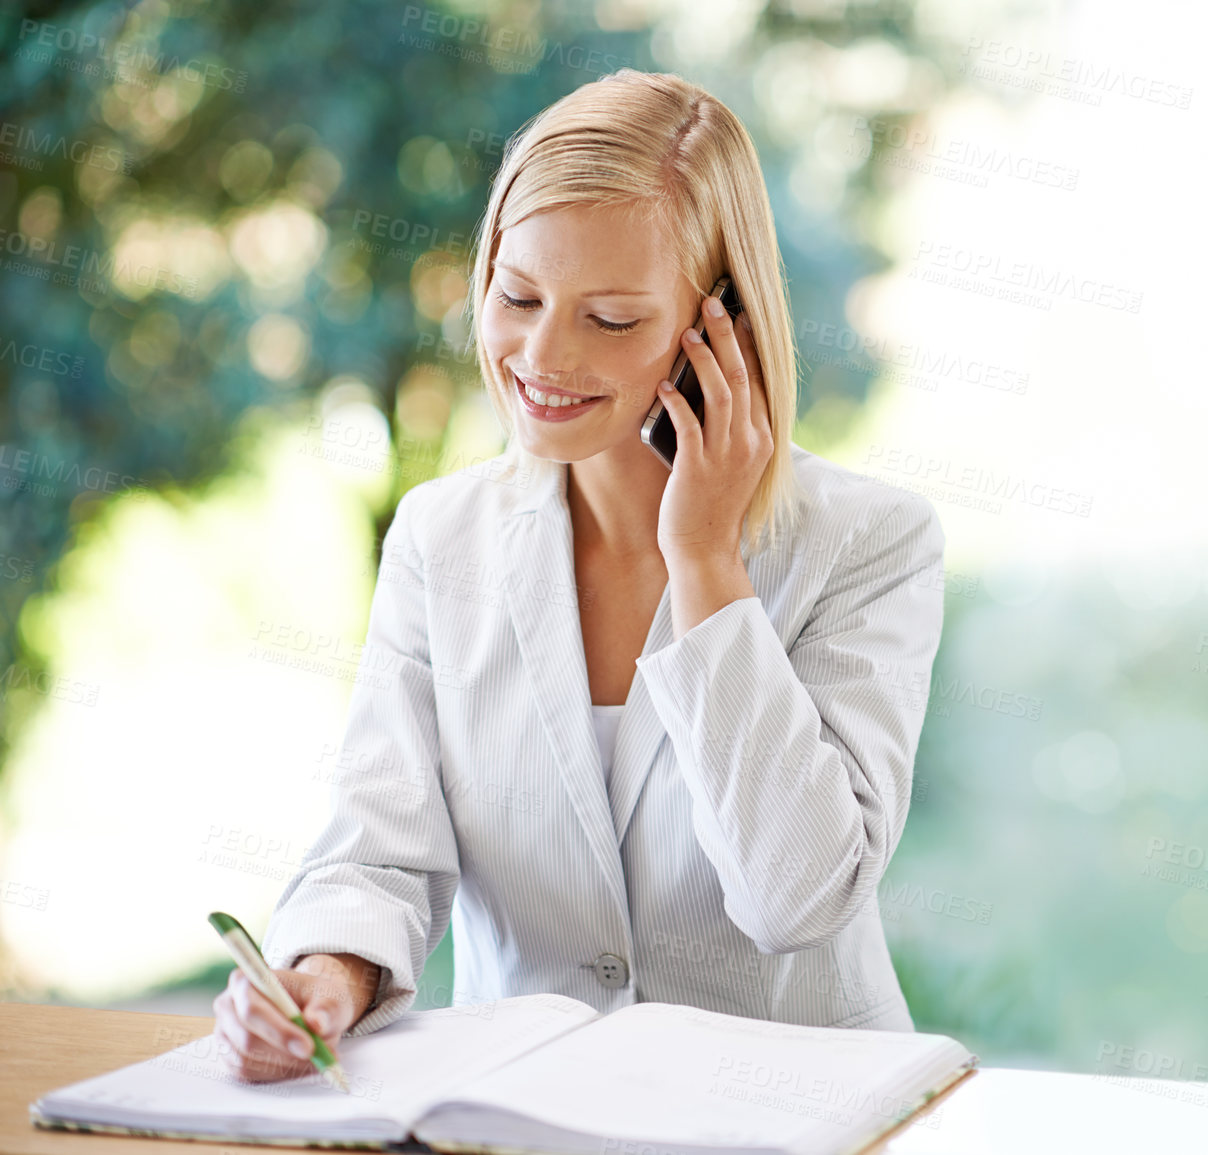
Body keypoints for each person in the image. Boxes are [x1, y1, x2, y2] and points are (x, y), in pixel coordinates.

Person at [211, 69, 946, 1083]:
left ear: (717, 325)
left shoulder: (869, 543)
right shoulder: (442, 538)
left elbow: (796, 901)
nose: (542, 356)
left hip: (793, 1114)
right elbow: (380, 850)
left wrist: (706, 561)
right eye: (517, 297)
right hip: (520, 1113)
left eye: (610, 320)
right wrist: (326, 977)